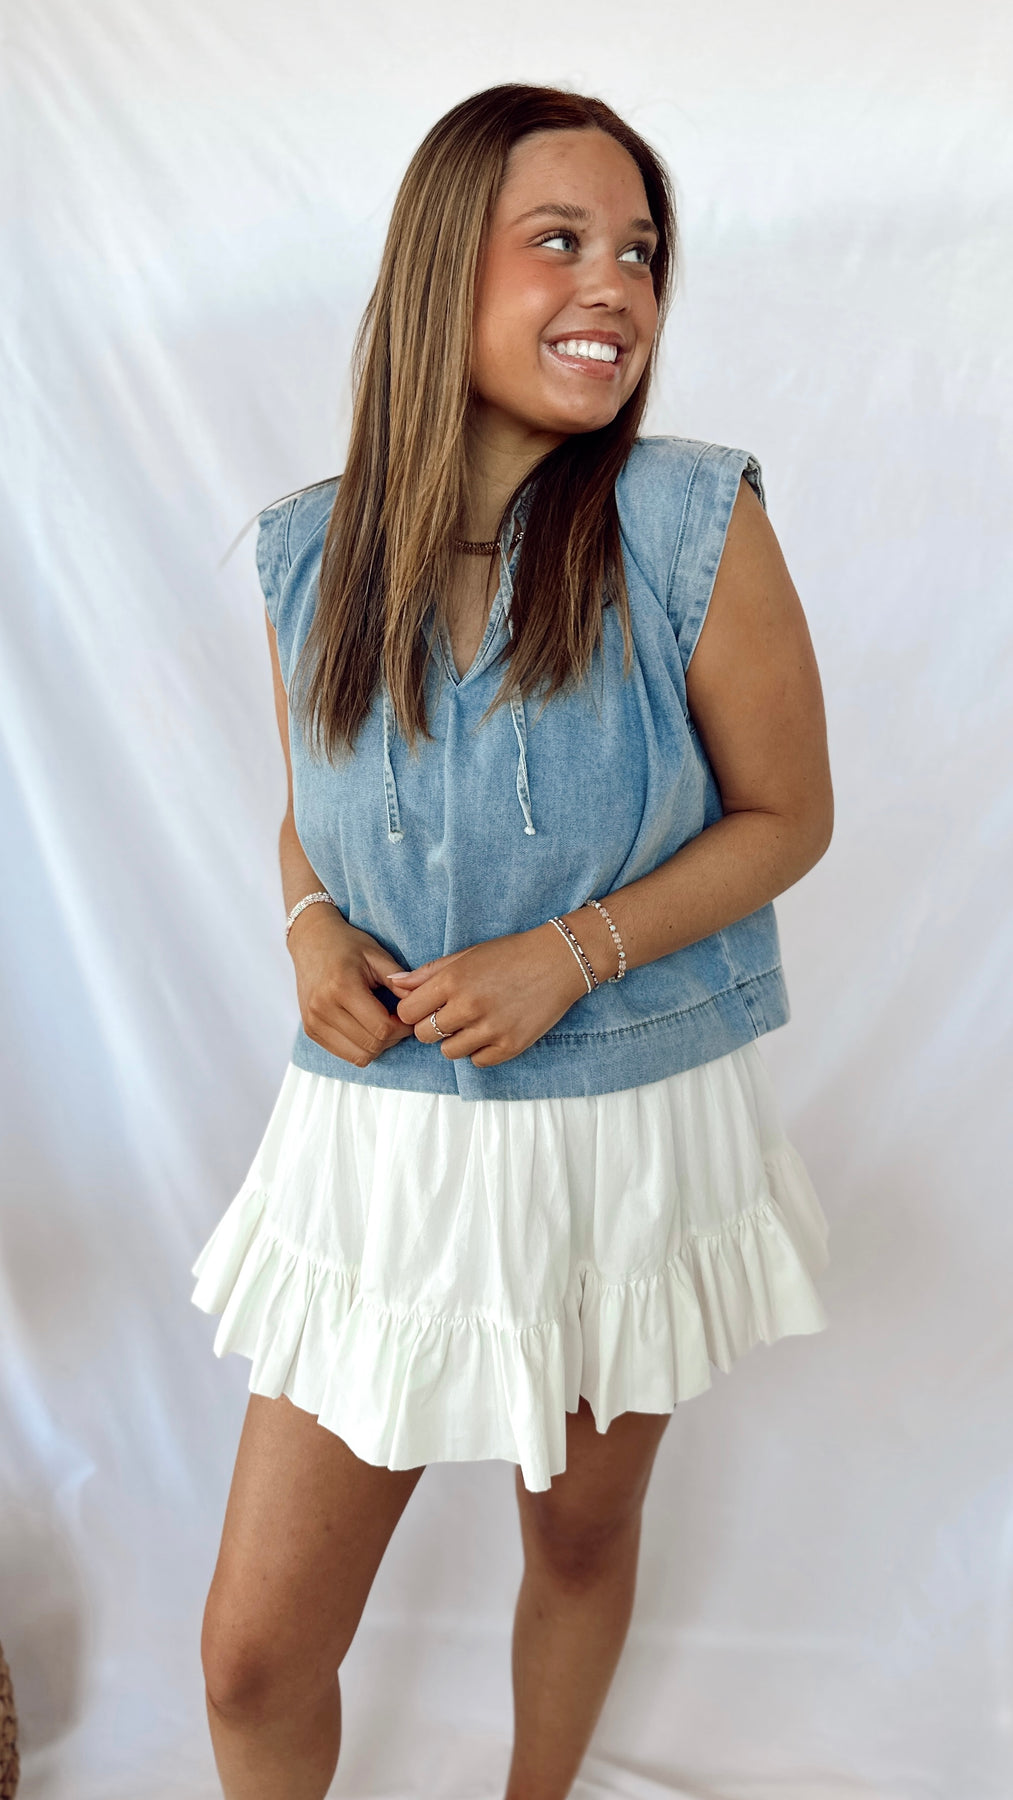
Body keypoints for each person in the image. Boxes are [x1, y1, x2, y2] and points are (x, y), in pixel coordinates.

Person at [190, 81, 833, 1800]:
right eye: (560, 240)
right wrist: (308, 926)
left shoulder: (690, 521)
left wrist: (573, 953)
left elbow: (787, 816)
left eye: (640, 252)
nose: (614, 286)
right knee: (253, 1659)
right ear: (439, 268)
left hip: (623, 1127)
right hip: (379, 1151)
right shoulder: (306, 554)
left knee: (576, 1536)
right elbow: (315, 811)